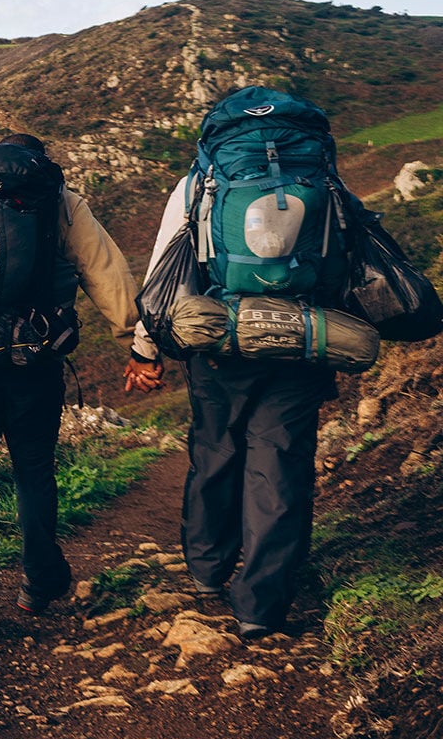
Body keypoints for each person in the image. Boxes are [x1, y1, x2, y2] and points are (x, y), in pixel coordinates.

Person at [123, 88, 345, 639]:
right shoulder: (321, 173)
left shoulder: (200, 182)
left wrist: (145, 349)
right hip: (300, 341)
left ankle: (206, 569)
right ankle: (260, 608)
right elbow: (347, 254)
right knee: (282, 466)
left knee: (216, 451)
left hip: (220, 342)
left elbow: (164, 270)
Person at [0, 133, 140, 636]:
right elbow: (106, 273)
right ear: (39, 163)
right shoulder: (58, 200)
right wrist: (135, 336)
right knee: (33, 469)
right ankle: (37, 581)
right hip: (32, 357)